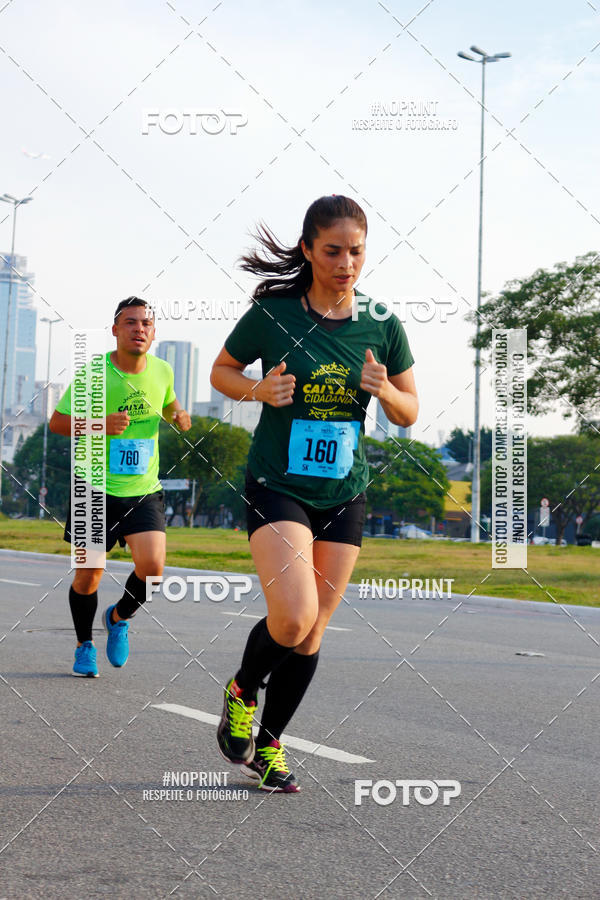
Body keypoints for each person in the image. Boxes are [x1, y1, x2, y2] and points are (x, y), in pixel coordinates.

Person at [211, 195, 418, 792]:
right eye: (333, 250)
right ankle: (243, 689)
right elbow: (222, 372)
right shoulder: (274, 313)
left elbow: (409, 411)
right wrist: (260, 391)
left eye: (356, 251)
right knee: (294, 614)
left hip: (343, 492)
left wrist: (384, 391)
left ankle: (270, 746)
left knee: (314, 629)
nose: (346, 263)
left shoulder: (381, 323)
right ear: (307, 249)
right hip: (277, 484)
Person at [49, 297, 191, 677]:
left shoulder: (162, 370)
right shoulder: (94, 374)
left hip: (142, 487)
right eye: (130, 322)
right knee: (89, 574)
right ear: (115, 330)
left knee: (153, 568)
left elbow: (169, 402)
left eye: (146, 323)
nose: (139, 329)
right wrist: (99, 424)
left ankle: (118, 616)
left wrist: (178, 414)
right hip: (93, 486)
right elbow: (57, 422)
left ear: (154, 332)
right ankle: (84, 645)